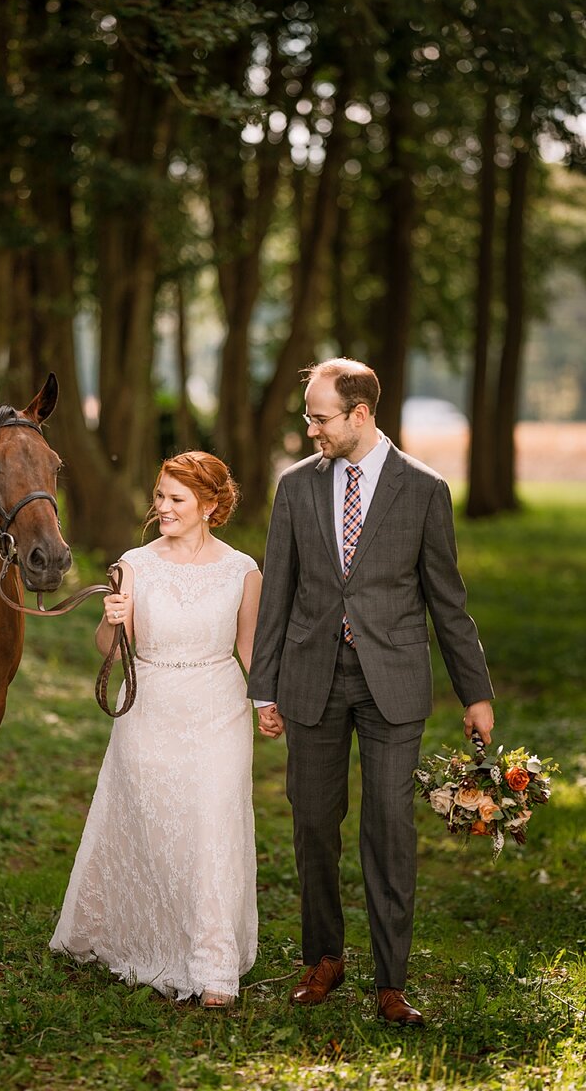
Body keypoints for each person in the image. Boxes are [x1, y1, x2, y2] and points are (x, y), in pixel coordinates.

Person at [248, 358, 495, 1026]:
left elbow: (447, 601)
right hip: (311, 680)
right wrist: (262, 688)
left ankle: (391, 982)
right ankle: (324, 957)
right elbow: (278, 593)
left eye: (319, 417)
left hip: (393, 683)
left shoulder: (423, 489)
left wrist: (475, 693)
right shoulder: (296, 487)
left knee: (389, 830)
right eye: (307, 416)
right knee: (312, 826)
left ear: (360, 414)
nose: (309, 431)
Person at [50, 451, 263, 1007]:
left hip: (219, 708)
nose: (163, 508)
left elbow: (249, 647)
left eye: (177, 499)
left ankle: (213, 965)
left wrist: (269, 701)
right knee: (153, 826)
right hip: (150, 705)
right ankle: (151, 935)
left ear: (210, 506)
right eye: (161, 496)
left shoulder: (242, 570)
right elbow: (110, 651)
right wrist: (111, 619)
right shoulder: (134, 564)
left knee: (213, 826)